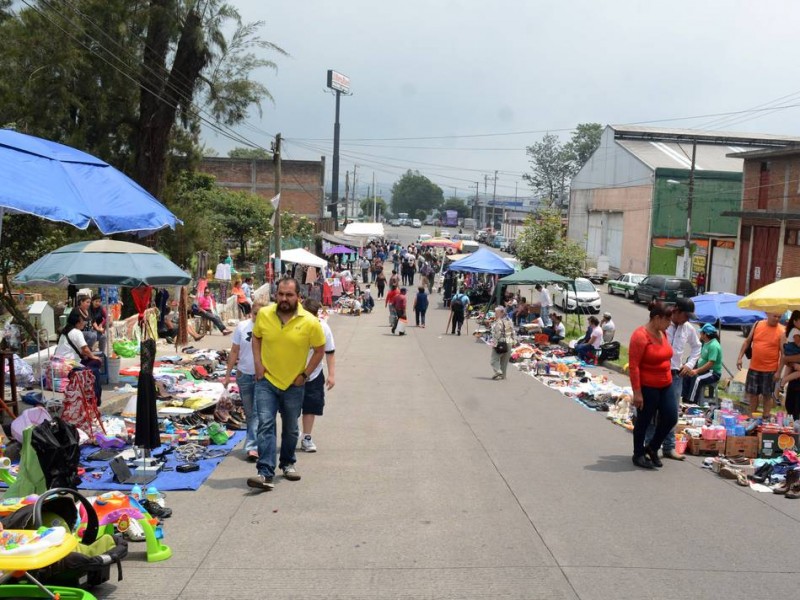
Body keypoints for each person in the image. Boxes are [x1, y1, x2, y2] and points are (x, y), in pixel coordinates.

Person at [248, 278, 326, 491]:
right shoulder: (264, 315)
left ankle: (288, 463)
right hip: (267, 381)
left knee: (291, 428)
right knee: (265, 424)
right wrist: (258, 364)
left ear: (298, 296)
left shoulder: (310, 322)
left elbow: (320, 350)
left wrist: (305, 374)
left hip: (294, 383)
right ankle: (264, 472)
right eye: (281, 294)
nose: (284, 298)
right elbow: (256, 338)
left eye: (289, 295)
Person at [644, 297, 701, 461]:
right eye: (686, 316)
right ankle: (649, 445)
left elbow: (697, 347)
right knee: (653, 411)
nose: (687, 320)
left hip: (675, 375)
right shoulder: (662, 324)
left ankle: (669, 448)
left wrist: (689, 364)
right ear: (677, 311)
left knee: (671, 414)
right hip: (656, 373)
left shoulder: (688, 328)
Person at [628, 302, 676, 469]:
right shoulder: (640, 336)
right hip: (648, 386)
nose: (670, 324)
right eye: (667, 320)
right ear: (657, 318)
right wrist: (637, 392)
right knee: (644, 421)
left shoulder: (663, 333)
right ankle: (638, 454)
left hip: (666, 383)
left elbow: (666, 355)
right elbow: (634, 366)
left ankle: (653, 447)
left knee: (671, 417)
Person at [224, 296, 268, 462]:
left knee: (257, 412)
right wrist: (228, 374)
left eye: (262, 314)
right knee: (250, 413)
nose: (258, 317)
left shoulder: (269, 328)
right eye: (256, 313)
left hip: (262, 376)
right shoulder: (242, 327)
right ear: (251, 313)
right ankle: (256, 443)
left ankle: (252, 447)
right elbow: (234, 351)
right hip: (244, 374)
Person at [299, 299, 336, 453]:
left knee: (310, 407)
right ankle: (292, 434)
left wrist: (332, 375)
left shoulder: (323, 328)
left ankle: (307, 437)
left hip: (313, 375)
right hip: (291, 374)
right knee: (290, 408)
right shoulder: (294, 326)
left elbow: (329, 351)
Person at [737, 312, 784, 417]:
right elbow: (747, 342)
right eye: (775, 316)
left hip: (770, 369)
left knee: (767, 396)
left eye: (779, 317)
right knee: (753, 394)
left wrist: (779, 372)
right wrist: (740, 357)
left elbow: (783, 354)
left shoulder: (782, 330)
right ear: (768, 314)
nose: (777, 319)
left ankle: (766, 417)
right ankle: (752, 417)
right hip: (754, 367)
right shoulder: (758, 324)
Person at [54, 311, 103, 407]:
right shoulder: (77, 332)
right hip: (69, 364)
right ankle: (96, 398)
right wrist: (93, 357)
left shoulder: (65, 332)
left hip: (58, 362)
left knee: (91, 363)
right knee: (96, 365)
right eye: (82, 321)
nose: (84, 323)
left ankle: (94, 396)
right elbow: (85, 349)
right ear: (77, 322)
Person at [684, 323, 723, 404]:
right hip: (705, 370)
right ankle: (684, 398)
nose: (700, 334)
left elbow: (710, 363)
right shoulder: (706, 343)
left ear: (706, 334)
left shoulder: (714, 345)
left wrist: (696, 371)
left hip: (713, 373)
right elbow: (700, 355)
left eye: (701, 333)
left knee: (698, 379)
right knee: (687, 374)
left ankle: (691, 402)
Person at [490, 306, 517, 380]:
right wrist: (514, 341)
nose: (495, 314)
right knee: (504, 362)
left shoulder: (499, 322)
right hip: (509, 342)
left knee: (493, 360)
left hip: (501, 342)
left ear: (501, 313)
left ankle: (498, 372)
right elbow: (513, 331)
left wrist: (494, 343)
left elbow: (497, 334)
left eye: (496, 312)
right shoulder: (509, 320)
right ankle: (503, 376)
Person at [777, 310, 800, 393]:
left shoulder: (795, 330)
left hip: (792, 354)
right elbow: (798, 344)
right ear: (795, 321)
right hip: (793, 353)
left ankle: (782, 384)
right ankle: (783, 381)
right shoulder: (795, 331)